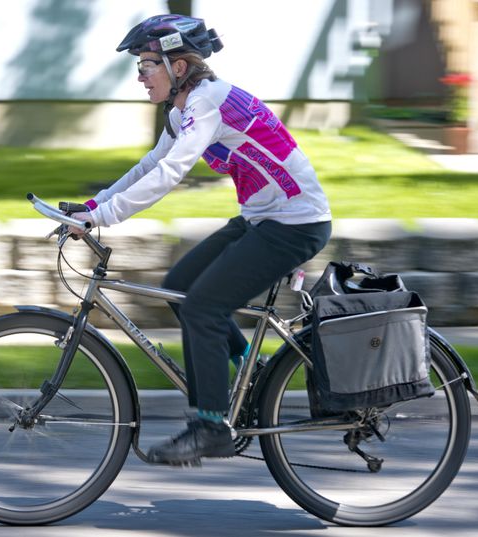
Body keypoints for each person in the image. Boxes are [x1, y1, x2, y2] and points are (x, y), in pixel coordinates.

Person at [70, 14, 332, 466]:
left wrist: (107, 217)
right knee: (181, 287)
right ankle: (257, 374)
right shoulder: (184, 110)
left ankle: (210, 426)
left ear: (178, 66)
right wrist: (93, 207)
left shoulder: (207, 102)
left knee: (202, 308)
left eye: (146, 64)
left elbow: (172, 174)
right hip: (263, 218)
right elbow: (152, 164)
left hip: (295, 224)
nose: (139, 76)